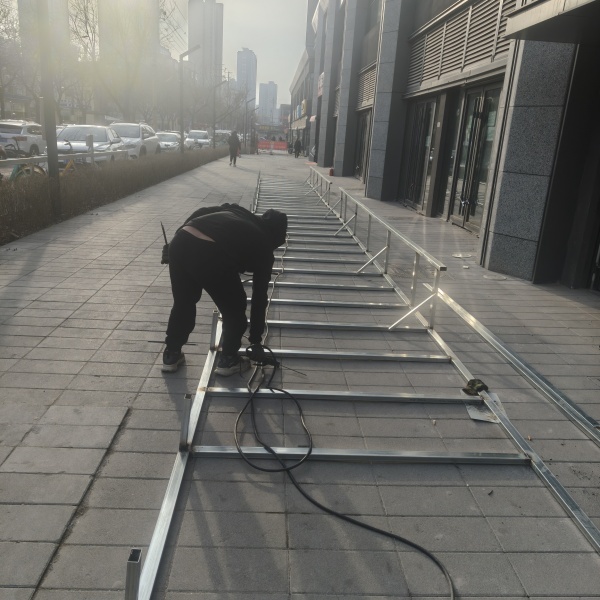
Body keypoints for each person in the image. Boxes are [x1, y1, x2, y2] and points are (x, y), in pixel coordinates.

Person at [162, 203, 288, 376]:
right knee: (235, 309)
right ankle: (228, 360)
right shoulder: (264, 246)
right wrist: (255, 340)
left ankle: (171, 354)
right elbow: (259, 297)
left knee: (183, 302)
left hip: (181, 241)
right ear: (276, 236)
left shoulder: (238, 212)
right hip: (211, 250)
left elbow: (202, 211)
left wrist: (173, 241)